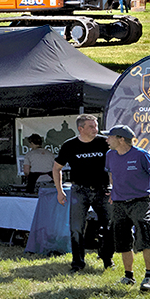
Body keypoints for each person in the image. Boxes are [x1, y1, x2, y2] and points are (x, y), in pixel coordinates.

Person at [104, 124, 150, 292]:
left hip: (140, 201)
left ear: (121, 139)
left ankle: (149, 277)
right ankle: (128, 276)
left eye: (110, 137)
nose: (107, 140)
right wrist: (113, 190)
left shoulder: (141, 155)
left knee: (146, 237)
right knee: (123, 241)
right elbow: (112, 173)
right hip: (118, 203)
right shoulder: (110, 155)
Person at [51, 113, 114, 272]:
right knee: (76, 228)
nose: (96, 129)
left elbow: (114, 167)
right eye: (91, 126)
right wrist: (59, 191)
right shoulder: (70, 145)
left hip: (103, 190)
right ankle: (78, 264)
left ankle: (107, 259)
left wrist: (114, 188)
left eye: (96, 126)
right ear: (81, 128)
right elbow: (57, 168)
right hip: (79, 191)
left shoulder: (104, 142)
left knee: (109, 226)